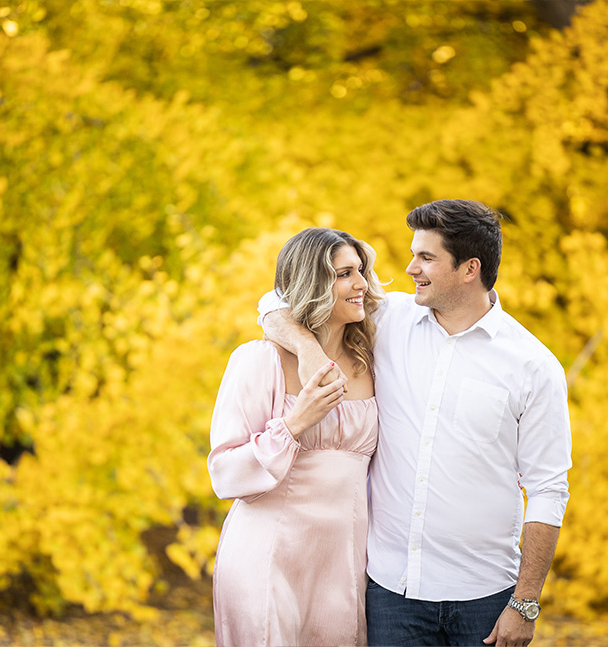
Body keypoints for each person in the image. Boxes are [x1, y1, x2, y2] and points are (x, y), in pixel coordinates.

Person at [260, 200, 572, 647]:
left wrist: (525, 603)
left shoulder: (533, 365)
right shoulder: (388, 319)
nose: (410, 269)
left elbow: (548, 488)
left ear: (470, 269)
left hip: (485, 597)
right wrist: (307, 347)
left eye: (426, 258)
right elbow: (276, 300)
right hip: (392, 593)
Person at [208, 227, 386, 646]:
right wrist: (293, 425)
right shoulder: (259, 360)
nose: (361, 284)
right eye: (345, 274)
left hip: (345, 565)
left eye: (360, 271)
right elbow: (224, 474)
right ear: (314, 284)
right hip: (268, 558)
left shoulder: (374, 359)